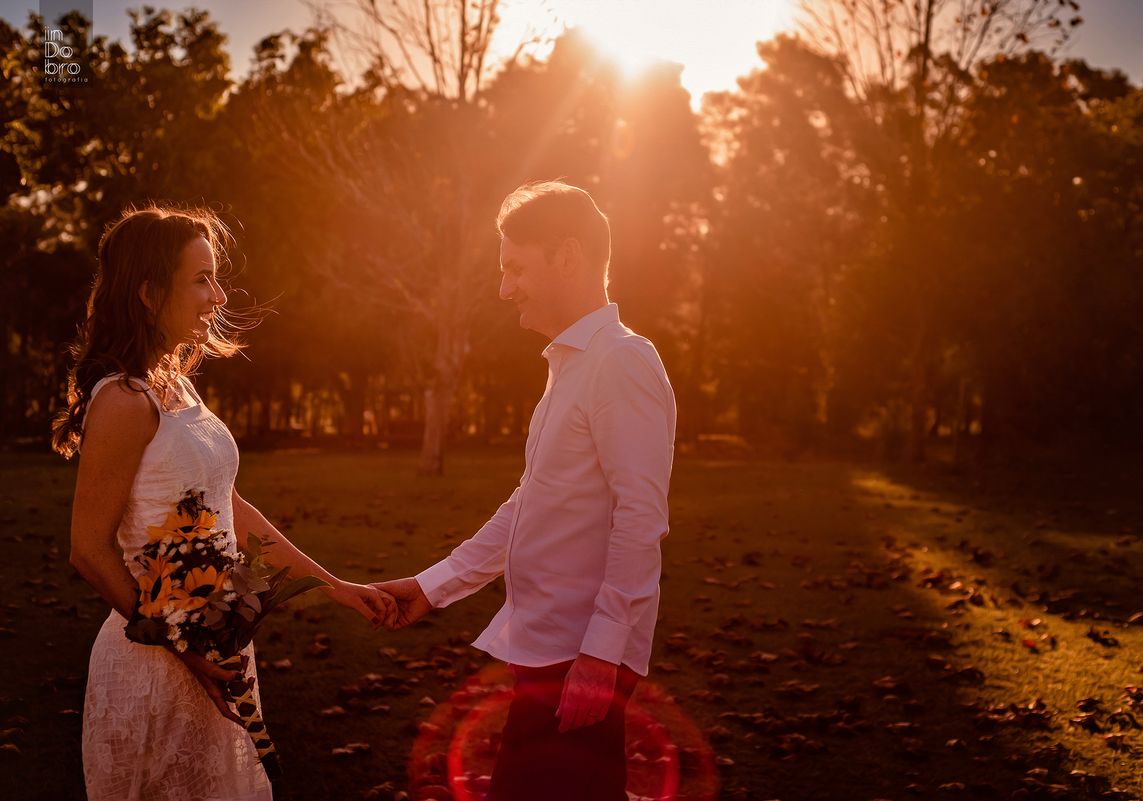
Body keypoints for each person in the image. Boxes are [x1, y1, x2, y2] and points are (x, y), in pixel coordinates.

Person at [52, 203, 395, 801]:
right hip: (152, 666)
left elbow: (229, 508)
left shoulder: (176, 384)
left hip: (215, 650)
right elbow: (89, 550)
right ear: (149, 293)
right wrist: (184, 647)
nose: (218, 296)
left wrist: (334, 588)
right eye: (202, 279)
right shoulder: (124, 401)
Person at [373, 181, 676, 801]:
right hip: (547, 655)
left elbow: (640, 517)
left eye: (515, 268)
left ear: (567, 256)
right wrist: (433, 587)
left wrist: (601, 656)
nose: (504, 288)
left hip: (578, 664)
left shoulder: (621, 362)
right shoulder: (572, 366)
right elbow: (530, 503)